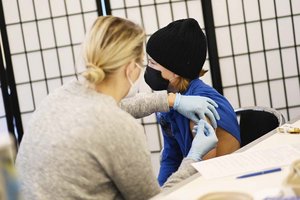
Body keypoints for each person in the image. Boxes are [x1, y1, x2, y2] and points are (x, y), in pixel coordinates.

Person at [15, 16, 218, 200]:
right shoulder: (120, 128)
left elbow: (112, 109)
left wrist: (171, 100)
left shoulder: (61, 96)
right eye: (144, 63)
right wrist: (194, 157)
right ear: (130, 68)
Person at [144, 18, 241, 186]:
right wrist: (160, 194)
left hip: (223, 185)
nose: (148, 68)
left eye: (153, 63)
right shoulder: (171, 101)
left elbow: (204, 172)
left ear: (175, 71)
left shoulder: (201, 106)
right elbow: (171, 157)